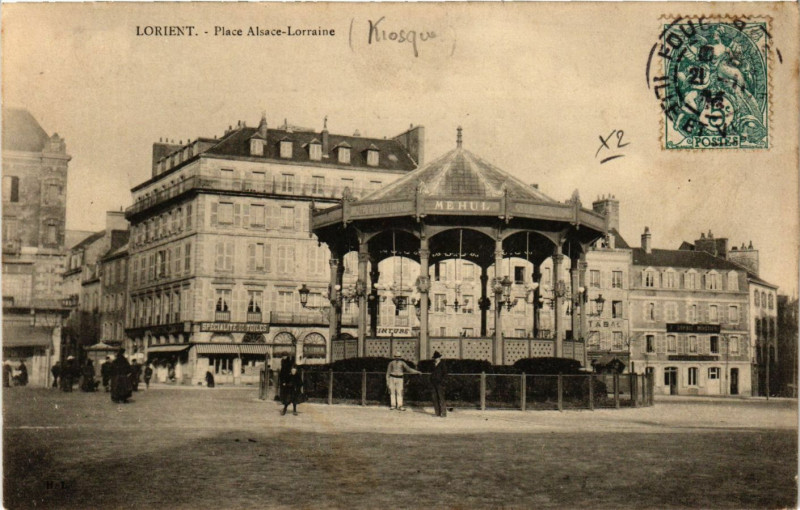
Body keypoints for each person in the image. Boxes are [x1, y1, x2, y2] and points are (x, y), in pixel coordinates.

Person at [430, 351, 448, 417]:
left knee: (441, 398)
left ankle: (443, 413)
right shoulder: (433, 364)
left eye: (437, 358)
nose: (436, 359)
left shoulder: (442, 364)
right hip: (433, 383)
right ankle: (437, 413)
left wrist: (442, 382)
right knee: (434, 398)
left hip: (440, 383)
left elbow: (445, 374)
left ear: (439, 358)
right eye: (435, 358)